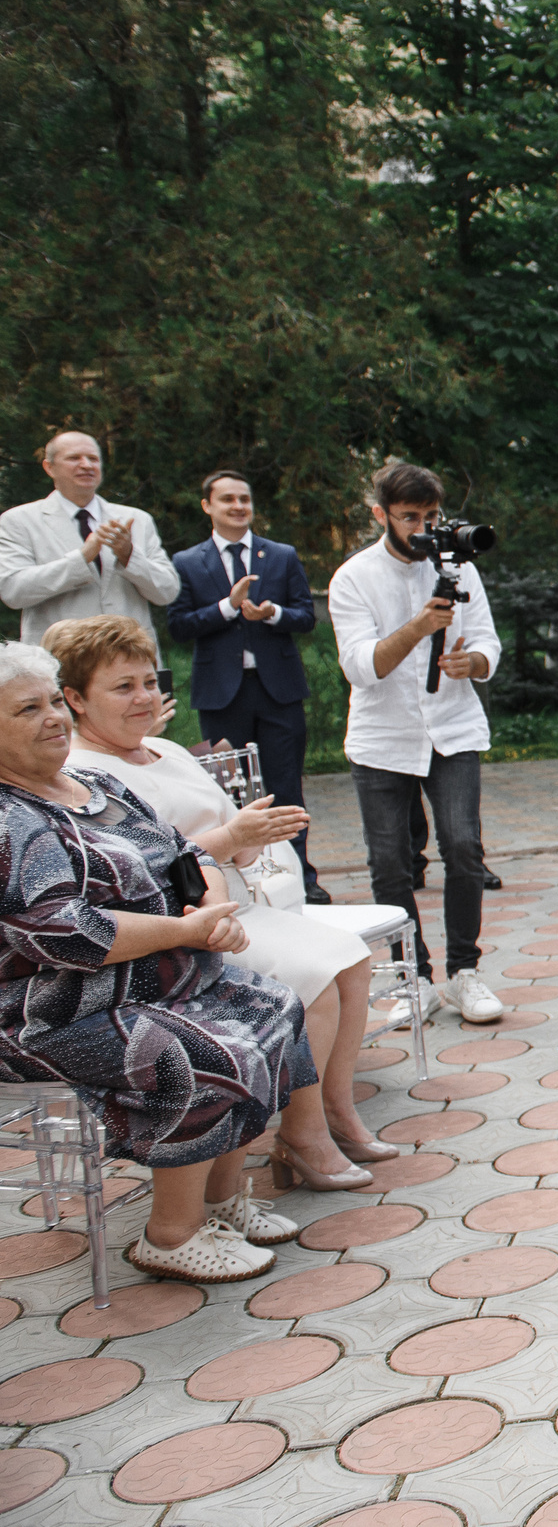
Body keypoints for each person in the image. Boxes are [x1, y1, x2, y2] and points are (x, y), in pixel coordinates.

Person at [0, 640, 316, 1284]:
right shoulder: (10, 820)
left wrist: (214, 909)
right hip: (51, 1010)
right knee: (206, 1052)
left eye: (54, 701)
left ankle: (220, 1202)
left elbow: (184, 853)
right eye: (26, 710)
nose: (53, 718)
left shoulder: (94, 783)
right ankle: (171, 1234)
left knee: (274, 1008)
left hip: (160, 977)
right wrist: (183, 928)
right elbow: (64, 934)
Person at [51, 613, 392, 1197]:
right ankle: (304, 1136)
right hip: (179, 924)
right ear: (75, 699)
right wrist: (232, 839)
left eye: (149, 682)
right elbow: (137, 870)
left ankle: (336, 1113)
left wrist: (253, 834)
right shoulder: (84, 773)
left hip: (239, 899)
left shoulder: (161, 749)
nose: (144, 698)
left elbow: (211, 832)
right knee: (317, 972)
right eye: (123, 687)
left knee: (350, 955)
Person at [328, 463, 504, 1025]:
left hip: (452, 729)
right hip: (383, 738)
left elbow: (487, 644)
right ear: (381, 515)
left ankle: (463, 972)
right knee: (391, 863)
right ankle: (413, 978)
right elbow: (361, 667)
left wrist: (470, 661)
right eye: (409, 518)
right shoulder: (353, 576)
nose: (423, 528)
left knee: (463, 847)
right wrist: (418, 628)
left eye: (431, 516)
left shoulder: (459, 568)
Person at [167, 470, 330, 902]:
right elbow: (179, 626)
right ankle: (239, 878)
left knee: (285, 786)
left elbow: (306, 617)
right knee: (228, 789)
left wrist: (273, 612)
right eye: (227, 500)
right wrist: (227, 607)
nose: (238, 506)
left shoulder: (280, 555)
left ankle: (300, 876)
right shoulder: (187, 562)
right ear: (208, 506)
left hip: (278, 688)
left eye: (244, 499)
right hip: (222, 692)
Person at [0, 430, 180, 645]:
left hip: (130, 656)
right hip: (60, 658)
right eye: (74, 458)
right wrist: (82, 557)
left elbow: (167, 592)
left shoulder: (136, 519)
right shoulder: (18, 520)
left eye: (93, 459)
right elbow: (14, 591)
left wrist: (129, 555)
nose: (86, 465)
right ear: (49, 467)